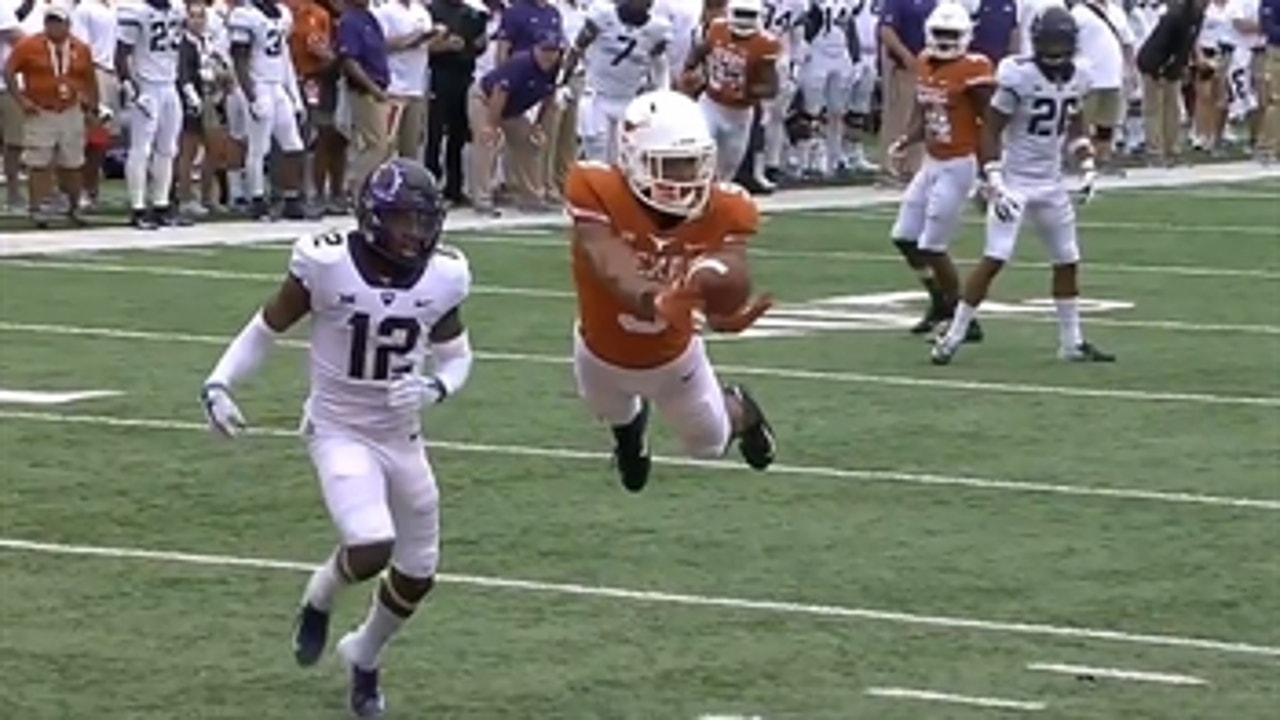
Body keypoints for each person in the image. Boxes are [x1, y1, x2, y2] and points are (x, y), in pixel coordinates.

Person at [199, 157, 472, 720]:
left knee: (419, 574)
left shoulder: (443, 275)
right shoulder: (326, 264)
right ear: (372, 218)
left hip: (403, 435)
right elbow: (265, 328)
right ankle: (320, 595)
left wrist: (436, 388)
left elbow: (457, 355)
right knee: (372, 544)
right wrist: (219, 381)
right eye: (402, 220)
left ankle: (364, 656)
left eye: (422, 222)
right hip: (338, 427)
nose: (414, 234)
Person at [564, 89, 776, 493]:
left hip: (672, 358)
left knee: (708, 444)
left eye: (693, 164)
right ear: (631, 158)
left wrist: (722, 302)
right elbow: (608, 260)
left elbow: (732, 265)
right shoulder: (595, 188)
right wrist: (654, 298)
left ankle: (741, 410)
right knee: (609, 410)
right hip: (599, 349)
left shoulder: (725, 208)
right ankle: (631, 435)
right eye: (672, 165)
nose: (686, 178)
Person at [931, 6, 1115, 365]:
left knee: (1067, 260)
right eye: (1051, 42)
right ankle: (952, 337)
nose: (1057, 51)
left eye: (1062, 43)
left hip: (1051, 182)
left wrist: (1087, 164)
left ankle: (1071, 342)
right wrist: (994, 179)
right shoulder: (1019, 75)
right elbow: (991, 129)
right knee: (996, 258)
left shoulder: (1079, 75)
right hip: (1014, 181)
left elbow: (1074, 125)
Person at [885, 1, 993, 339]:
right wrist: (906, 139)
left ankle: (964, 317)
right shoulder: (923, 62)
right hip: (933, 160)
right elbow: (924, 107)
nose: (945, 41)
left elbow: (990, 121)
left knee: (933, 245)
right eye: (941, 33)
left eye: (952, 34)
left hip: (959, 163)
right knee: (904, 237)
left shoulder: (974, 67)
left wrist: (990, 171)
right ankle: (940, 302)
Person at [3, 2, 97, 228]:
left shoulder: (80, 48)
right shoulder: (30, 45)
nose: (53, 27)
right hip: (41, 109)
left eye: (58, 22)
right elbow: (8, 71)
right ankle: (38, 208)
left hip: (70, 109)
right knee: (38, 161)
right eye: (50, 22)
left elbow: (90, 80)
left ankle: (74, 206)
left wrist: (92, 108)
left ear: (68, 25)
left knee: (72, 163)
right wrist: (22, 99)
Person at [559, 0, 672, 164]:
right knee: (597, 157)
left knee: (623, 160)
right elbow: (577, 48)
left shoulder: (657, 29)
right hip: (597, 96)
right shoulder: (603, 15)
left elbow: (660, 65)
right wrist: (562, 81)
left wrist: (662, 94)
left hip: (628, 99)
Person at [682, 0, 780, 180]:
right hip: (710, 104)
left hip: (740, 113)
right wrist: (689, 68)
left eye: (749, 15)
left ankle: (718, 200)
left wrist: (745, 90)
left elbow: (771, 88)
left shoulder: (765, 43)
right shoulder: (717, 28)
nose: (744, 20)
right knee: (701, 148)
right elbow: (701, 49)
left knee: (728, 168)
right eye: (740, 13)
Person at [117, 0, 189, 229]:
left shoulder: (177, 8)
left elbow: (179, 52)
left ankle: (161, 204)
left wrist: (185, 87)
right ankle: (137, 208)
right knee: (141, 148)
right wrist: (132, 90)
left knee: (168, 149)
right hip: (146, 84)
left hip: (169, 84)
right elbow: (120, 55)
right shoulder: (135, 11)